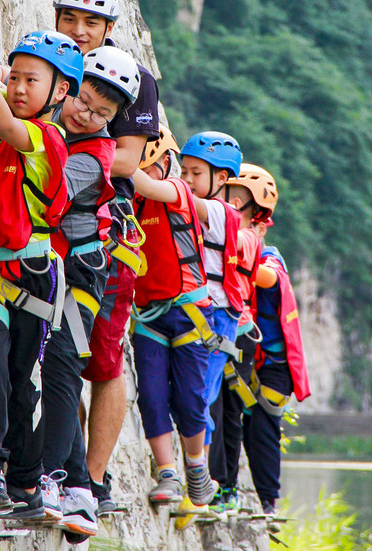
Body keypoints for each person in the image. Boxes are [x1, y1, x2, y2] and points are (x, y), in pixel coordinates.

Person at [0, 30, 83, 515]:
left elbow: (2, 123)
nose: (20, 88)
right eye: (16, 78)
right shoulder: (10, 98)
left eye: (32, 81)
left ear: (60, 91)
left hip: (31, 276)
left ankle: (25, 480)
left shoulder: (47, 138)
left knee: (21, 382)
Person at [53, 0, 160, 513]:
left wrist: (58, 147)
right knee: (59, 354)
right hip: (48, 226)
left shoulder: (132, 78)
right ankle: (68, 470)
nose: (79, 30)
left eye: (90, 22)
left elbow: (126, 159)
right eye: (69, 18)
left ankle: (92, 480)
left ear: (109, 28)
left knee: (104, 359)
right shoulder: (52, 61)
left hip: (105, 233)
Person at [40, 46, 141, 539]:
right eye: (82, 101)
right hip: (48, 266)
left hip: (81, 275)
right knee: (51, 366)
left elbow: (48, 185)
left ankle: (60, 479)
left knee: (64, 364)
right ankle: (77, 485)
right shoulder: (50, 117)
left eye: (101, 114)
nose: (86, 115)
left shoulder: (97, 152)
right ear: (66, 88)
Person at [210, 164, 311, 514]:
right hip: (244, 355)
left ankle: (268, 500)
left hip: (272, 366)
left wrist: (239, 260)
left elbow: (268, 278)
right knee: (229, 414)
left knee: (262, 426)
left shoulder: (269, 257)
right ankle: (226, 489)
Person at [130, 128, 217, 522]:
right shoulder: (131, 201)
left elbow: (148, 184)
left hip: (189, 312)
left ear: (165, 163)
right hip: (149, 315)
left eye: (147, 164)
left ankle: (196, 467)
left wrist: (113, 155)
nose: (142, 172)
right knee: (151, 396)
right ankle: (168, 473)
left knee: (189, 400)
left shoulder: (177, 190)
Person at [178, 132, 255, 458]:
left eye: (196, 173)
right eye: (184, 171)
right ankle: (197, 473)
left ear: (222, 178)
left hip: (219, 315)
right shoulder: (195, 209)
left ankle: (200, 475)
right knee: (191, 396)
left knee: (200, 396)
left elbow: (183, 200)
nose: (187, 179)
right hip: (195, 308)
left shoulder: (220, 212)